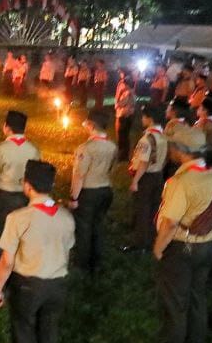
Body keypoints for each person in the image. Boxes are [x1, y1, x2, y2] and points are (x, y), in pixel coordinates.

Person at [134, 127, 212, 343]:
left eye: (174, 147)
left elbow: (170, 223)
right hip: (208, 246)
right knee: (198, 301)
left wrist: (157, 248)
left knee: (175, 306)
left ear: (182, 151)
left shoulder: (180, 182)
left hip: (182, 248)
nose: (171, 151)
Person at [0, 160, 75, 343]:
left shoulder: (18, 218)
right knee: (49, 341)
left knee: (24, 341)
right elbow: (68, 248)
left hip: (27, 287)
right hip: (57, 286)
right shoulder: (66, 217)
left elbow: (7, 260)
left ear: (27, 186)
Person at [0, 110, 41, 283]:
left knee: (0, 239)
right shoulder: (33, 150)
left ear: (6, 127)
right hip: (24, 198)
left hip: (3, 198)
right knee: (21, 238)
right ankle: (18, 274)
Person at [69, 110, 117, 275]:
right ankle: (97, 263)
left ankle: (81, 265)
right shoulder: (112, 146)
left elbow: (79, 175)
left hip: (89, 192)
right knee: (98, 226)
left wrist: (74, 197)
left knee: (83, 229)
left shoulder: (85, 148)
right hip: (106, 190)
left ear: (91, 125)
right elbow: (112, 168)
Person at [124, 105, 168, 254]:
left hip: (146, 178)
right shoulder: (163, 136)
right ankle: (150, 239)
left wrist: (135, 181)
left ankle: (139, 244)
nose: (142, 119)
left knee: (142, 210)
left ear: (149, 118)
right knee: (153, 210)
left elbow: (143, 162)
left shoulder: (147, 139)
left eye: (143, 116)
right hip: (158, 176)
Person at [114, 72, 136, 161]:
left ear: (127, 85)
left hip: (124, 115)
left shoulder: (127, 93)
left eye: (124, 84)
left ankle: (123, 155)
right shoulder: (131, 92)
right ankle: (124, 155)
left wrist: (118, 103)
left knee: (122, 135)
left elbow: (122, 103)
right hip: (127, 115)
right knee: (125, 136)